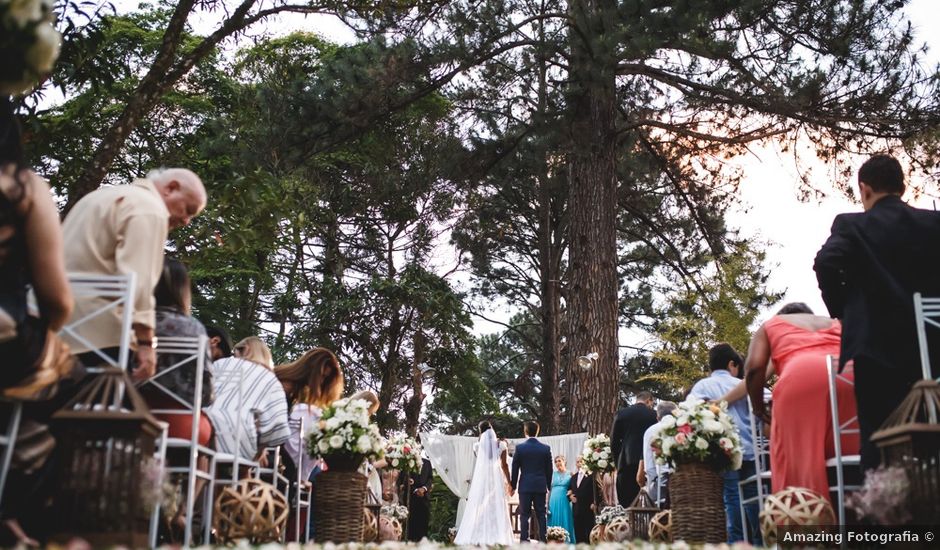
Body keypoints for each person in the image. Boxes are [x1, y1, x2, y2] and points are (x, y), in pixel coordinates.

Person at [814, 154, 940, 471]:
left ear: (865, 189)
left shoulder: (853, 225)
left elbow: (827, 262)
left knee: (878, 437)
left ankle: (889, 514)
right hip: (934, 347)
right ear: (903, 186)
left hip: (877, 350)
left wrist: (844, 310)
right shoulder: (934, 223)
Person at [0, 97, 73, 547]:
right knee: (84, 399)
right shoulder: (22, 188)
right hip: (6, 340)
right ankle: (16, 512)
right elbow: (57, 299)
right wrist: (52, 334)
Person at [62, 167, 207, 379]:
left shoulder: (98, 198)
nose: (186, 221)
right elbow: (138, 283)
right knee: (121, 405)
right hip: (99, 341)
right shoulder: (150, 209)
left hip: (53, 327)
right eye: (188, 209)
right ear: (171, 188)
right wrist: (147, 343)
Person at [737, 302, 859, 502]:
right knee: (853, 453)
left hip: (802, 378)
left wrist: (758, 408)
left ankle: (806, 521)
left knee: (800, 460)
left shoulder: (772, 324)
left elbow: (754, 369)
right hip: (850, 376)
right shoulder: (837, 323)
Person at [687, 344, 759, 544]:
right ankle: (761, 540)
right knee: (754, 497)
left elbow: (693, 415)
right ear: (732, 364)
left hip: (724, 450)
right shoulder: (743, 383)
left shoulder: (702, 386)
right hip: (751, 448)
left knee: (732, 497)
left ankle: (737, 542)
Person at [139, 258, 214, 445]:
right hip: (179, 422)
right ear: (183, 291)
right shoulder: (194, 329)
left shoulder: (133, 323)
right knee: (209, 432)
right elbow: (206, 394)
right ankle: (193, 475)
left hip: (132, 414)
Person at [204, 336, 289, 462]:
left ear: (246, 349)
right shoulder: (270, 379)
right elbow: (278, 425)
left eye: (235, 352)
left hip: (201, 429)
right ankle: (243, 475)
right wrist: (261, 450)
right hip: (238, 442)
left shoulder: (219, 364)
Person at [275, 347, 345, 482]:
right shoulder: (285, 386)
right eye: (322, 377)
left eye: (326, 379)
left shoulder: (297, 391)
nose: (321, 383)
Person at [454, 421, 513, 545]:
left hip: (482, 479)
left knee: (479, 504)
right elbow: (505, 465)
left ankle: (479, 533)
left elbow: (480, 460)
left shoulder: (477, 446)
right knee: (496, 504)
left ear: (481, 431)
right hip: (495, 478)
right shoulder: (501, 445)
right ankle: (497, 534)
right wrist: (509, 481)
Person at [610, 391, 657, 506]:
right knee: (650, 499)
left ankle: (630, 522)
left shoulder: (621, 414)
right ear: (648, 400)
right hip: (648, 461)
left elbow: (614, 441)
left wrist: (617, 463)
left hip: (626, 461)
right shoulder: (653, 414)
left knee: (627, 500)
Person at [510, 420, 552, 542]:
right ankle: (543, 540)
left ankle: (524, 540)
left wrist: (513, 485)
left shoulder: (520, 448)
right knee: (541, 514)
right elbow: (549, 469)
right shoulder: (545, 448)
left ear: (525, 432)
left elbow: (515, 468)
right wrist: (549, 485)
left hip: (525, 486)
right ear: (537, 432)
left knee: (524, 514)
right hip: (540, 486)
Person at [637, 400, 677, 508]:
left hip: (661, 479)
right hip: (682, 477)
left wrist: (652, 480)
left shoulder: (651, 430)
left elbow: (649, 463)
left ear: (658, 417)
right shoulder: (682, 426)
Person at [403, 455, 433, 541]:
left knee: (423, 526)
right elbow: (404, 479)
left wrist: (424, 489)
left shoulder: (427, 462)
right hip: (411, 499)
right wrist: (416, 490)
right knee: (411, 527)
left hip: (424, 499)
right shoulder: (407, 461)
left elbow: (430, 479)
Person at [567, 457, 597, 544]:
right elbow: (569, 490)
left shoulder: (591, 475)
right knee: (578, 533)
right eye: (577, 462)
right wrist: (570, 497)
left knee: (588, 532)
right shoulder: (573, 477)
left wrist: (594, 503)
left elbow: (597, 491)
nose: (579, 463)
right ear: (576, 464)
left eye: (581, 461)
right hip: (576, 510)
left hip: (588, 509)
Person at [547, 455, 575, 542]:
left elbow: (575, 486)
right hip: (553, 500)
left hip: (564, 500)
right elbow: (549, 490)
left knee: (565, 518)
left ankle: (567, 541)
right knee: (553, 519)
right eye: (556, 461)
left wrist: (571, 491)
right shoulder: (552, 474)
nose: (557, 463)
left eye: (559, 461)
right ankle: (553, 540)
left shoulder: (570, 474)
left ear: (564, 461)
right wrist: (547, 504)